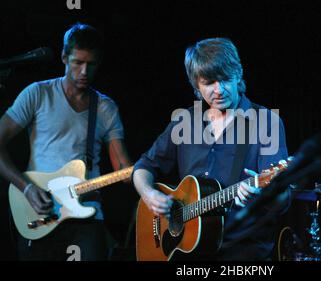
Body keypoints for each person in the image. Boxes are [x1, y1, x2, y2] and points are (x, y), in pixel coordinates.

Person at [133, 37, 290, 261]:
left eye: (225, 79)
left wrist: (262, 194)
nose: (219, 90)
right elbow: (143, 167)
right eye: (208, 82)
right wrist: (149, 195)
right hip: (188, 251)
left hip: (243, 251)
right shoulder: (184, 121)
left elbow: (282, 197)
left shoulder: (266, 122)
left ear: (238, 74)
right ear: (196, 84)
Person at [0, 23, 132, 260]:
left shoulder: (105, 108)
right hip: (38, 210)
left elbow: (123, 168)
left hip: (87, 215)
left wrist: (146, 169)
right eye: (77, 62)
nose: (84, 72)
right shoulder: (38, 94)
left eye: (90, 65)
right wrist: (27, 187)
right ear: (63, 57)